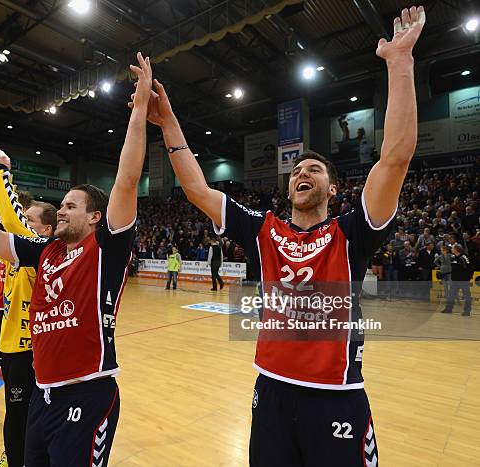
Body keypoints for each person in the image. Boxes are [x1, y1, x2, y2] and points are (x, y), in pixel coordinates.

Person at [130, 7, 425, 465]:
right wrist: (168, 122)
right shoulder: (264, 228)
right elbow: (196, 189)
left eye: (314, 169)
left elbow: (396, 158)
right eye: (297, 170)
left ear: (332, 187)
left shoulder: (353, 232)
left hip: (336, 397)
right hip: (269, 392)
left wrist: (400, 62)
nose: (302, 173)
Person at [0, 51, 150, 467]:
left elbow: (127, 176)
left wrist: (141, 107)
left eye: (71, 206)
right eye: (62, 203)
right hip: (43, 391)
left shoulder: (106, 249)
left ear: (96, 216)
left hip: (88, 393)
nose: (61, 209)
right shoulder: (46, 251)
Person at [0, 150, 57, 467]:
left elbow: (11, 218)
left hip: (29, 349)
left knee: (21, 415)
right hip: (11, 345)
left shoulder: (41, 255)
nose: (21, 224)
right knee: (18, 414)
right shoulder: (16, 255)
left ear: (45, 231)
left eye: (30, 221)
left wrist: (1, 172)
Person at [441, 243, 473, 316]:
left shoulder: (464, 257)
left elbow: (470, 267)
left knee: (467, 295)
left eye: (452, 248)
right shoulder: (453, 257)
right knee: (451, 295)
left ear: (456, 249)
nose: (451, 249)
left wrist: (469, 277)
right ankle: (448, 309)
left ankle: (467, 311)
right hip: (455, 280)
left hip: (463, 280)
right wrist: (443, 273)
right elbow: (453, 269)